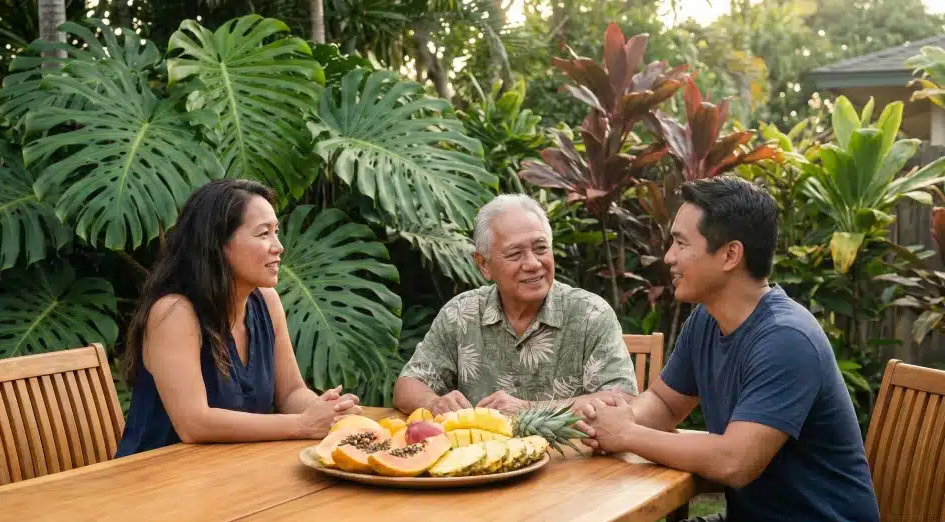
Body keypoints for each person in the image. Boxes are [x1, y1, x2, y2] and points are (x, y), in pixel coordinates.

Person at [574, 175, 883, 522]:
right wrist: (612, 423)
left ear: (730, 254)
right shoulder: (706, 319)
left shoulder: (786, 338)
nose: (668, 256)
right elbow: (665, 403)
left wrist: (628, 435)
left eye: (682, 243)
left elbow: (735, 461)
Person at [115, 179, 361, 457]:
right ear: (218, 244)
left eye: (276, 232)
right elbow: (193, 423)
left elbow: (291, 392)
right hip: (152, 481)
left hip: (228, 472)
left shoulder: (266, 302)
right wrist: (302, 424)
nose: (278, 246)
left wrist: (330, 412)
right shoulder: (174, 313)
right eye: (263, 234)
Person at [393, 194, 637, 416]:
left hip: (573, 460)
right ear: (484, 264)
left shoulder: (590, 314)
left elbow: (622, 400)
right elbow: (407, 385)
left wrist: (529, 409)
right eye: (515, 254)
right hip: (482, 457)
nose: (533, 263)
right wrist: (433, 402)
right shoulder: (461, 313)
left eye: (540, 248)